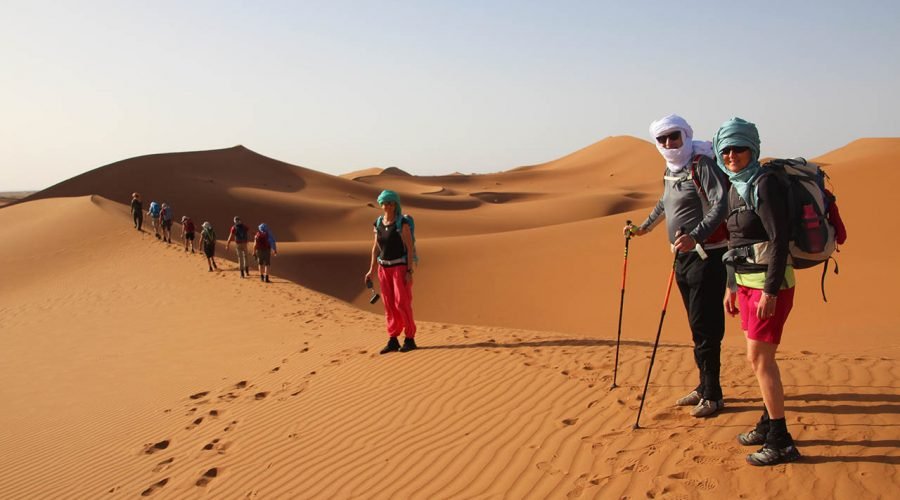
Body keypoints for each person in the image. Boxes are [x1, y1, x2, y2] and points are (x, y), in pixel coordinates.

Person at [625, 114, 729, 417]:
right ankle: (703, 387)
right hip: (681, 259)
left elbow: (720, 204)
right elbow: (664, 203)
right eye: (663, 138)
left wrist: (695, 236)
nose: (669, 143)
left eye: (674, 136)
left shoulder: (701, 165)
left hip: (707, 256)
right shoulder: (672, 170)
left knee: (706, 327)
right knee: (697, 327)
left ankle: (714, 395)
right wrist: (643, 228)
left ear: (685, 135)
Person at [714, 117, 801, 466]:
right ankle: (768, 423)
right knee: (756, 359)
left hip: (770, 286)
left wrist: (771, 292)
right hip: (747, 285)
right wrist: (731, 285)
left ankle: (781, 440)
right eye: (726, 149)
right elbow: (737, 241)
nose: (732, 154)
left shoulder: (763, 184)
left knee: (762, 360)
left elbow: (778, 240)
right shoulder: (736, 185)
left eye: (739, 148)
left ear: (753, 149)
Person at [365, 190, 418, 354]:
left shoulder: (402, 223)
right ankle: (393, 339)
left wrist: (409, 270)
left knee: (402, 303)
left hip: (400, 268)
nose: (387, 206)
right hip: (384, 268)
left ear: (396, 204)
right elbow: (376, 248)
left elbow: (409, 249)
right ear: (381, 204)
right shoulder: (378, 223)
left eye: (390, 203)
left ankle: (410, 338)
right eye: (384, 203)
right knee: (389, 305)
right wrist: (371, 270)